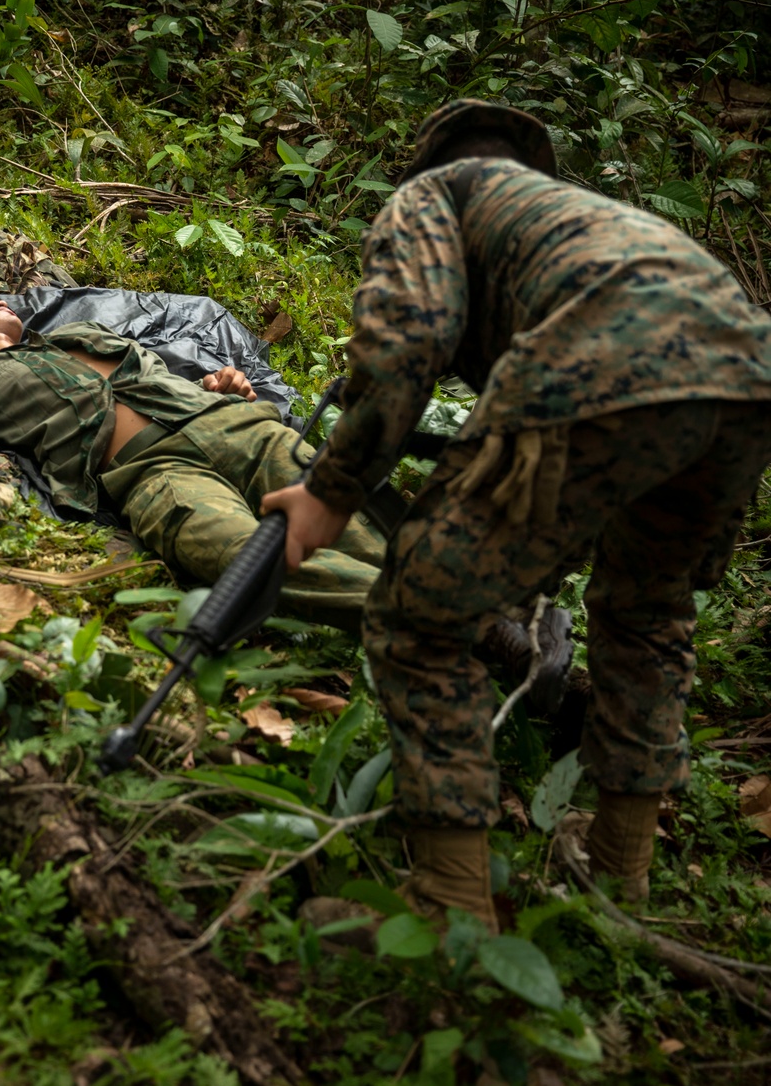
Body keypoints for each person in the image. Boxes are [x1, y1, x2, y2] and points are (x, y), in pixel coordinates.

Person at [263, 98, 771, 928]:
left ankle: (450, 913)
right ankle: (620, 875)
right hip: (747, 383)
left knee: (419, 617)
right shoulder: (585, 219)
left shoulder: (436, 195)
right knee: (646, 612)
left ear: (430, 163)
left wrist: (331, 493)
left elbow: (407, 340)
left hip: (602, 360)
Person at [0, 299, 385, 632]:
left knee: (350, 518)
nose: (1, 301)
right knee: (239, 556)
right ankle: (429, 616)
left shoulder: (79, 329)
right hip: (150, 475)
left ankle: (445, 583)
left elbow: (156, 379)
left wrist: (214, 381)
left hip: (232, 427)